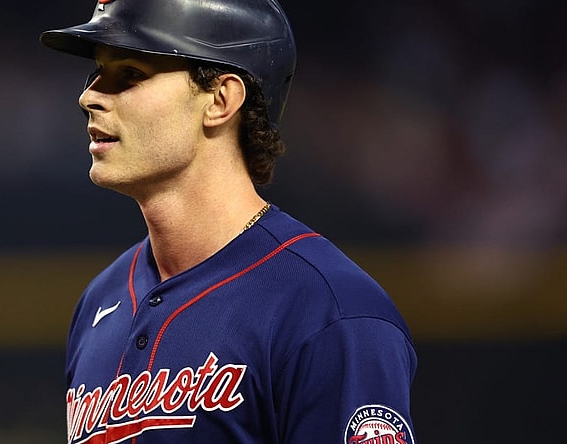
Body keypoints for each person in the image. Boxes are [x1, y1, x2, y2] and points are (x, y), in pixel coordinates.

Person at [40, 0, 418, 442]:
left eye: (130, 74)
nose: (89, 96)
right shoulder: (99, 301)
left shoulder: (330, 311)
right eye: (97, 72)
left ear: (220, 100)